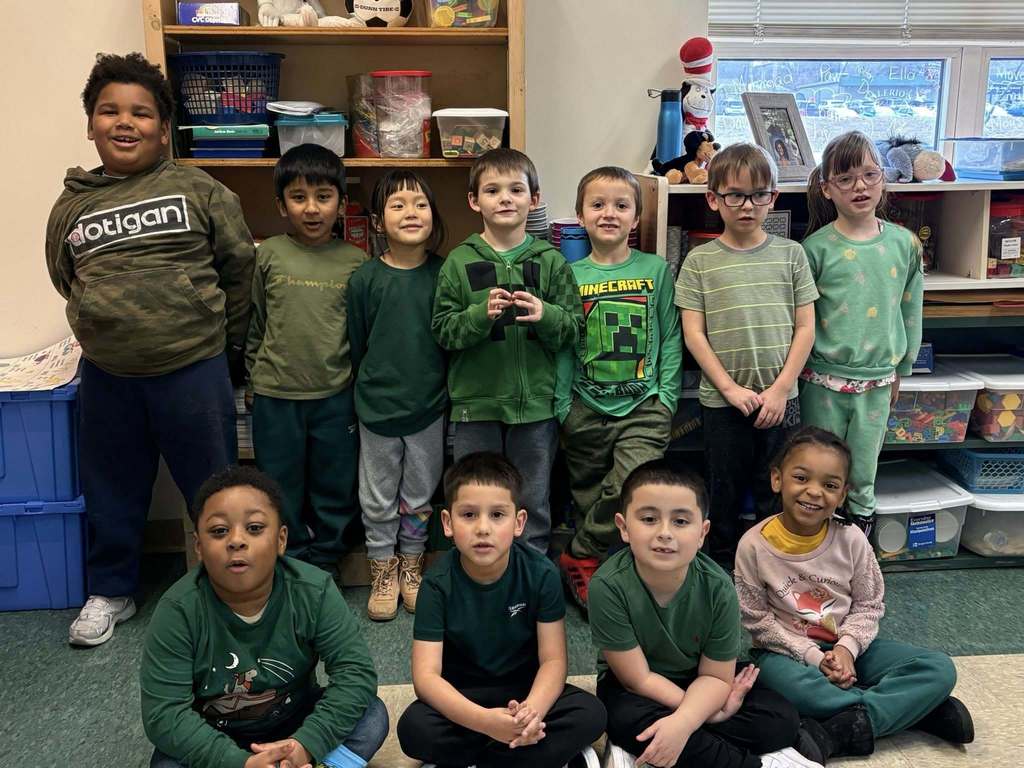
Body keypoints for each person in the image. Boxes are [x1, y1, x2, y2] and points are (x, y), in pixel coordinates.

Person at [46, 52, 254, 647]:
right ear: (90, 124)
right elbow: (67, 278)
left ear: (164, 128)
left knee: (215, 488)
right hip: (109, 374)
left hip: (193, 368)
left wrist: (227, 346)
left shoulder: (197, 188)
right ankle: (111, 590)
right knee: (110, 486)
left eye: (141, 112)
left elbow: (239, 268)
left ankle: (228, 587)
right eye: (109, 111)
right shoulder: (73, 206)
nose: (124, 122)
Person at [733, 426, 974, 759]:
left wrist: (846, 649)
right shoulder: (752, 546)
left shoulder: (852, 539)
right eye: (801, 478)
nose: (814, 492)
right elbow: (757, 622)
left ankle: (848, 726)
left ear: (843, 494)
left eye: (829, 485)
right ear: (777, 479)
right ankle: (915, 711)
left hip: (851, 645)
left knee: (938, 668)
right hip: (787, 654)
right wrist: (815, 658)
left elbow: (869, 605)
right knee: (788, 687)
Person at [141, 465, 388, 768]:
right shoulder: (178, 610)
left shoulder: (314, 590)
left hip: (296, 726)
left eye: (255, 528)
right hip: (215, 736)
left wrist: (305, 745)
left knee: (372, 715)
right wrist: (239, 762)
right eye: (219, 531)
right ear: (199, 547)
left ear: (281, 539)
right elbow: (164, 714)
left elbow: (356, 674)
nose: (236, 541)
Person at [589, 460, 828, 768]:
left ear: (702, 533)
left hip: (699, 678)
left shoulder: (719, 587)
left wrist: (686, 721)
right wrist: (709, 714)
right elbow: (638, 678)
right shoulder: (608, 585)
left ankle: (676, 748)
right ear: (623, 527)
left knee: (779, 718)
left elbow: (715, 676)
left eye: (680, 522)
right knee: (622, 719)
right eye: (649, 519)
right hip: (636, 688)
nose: (664, 533)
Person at [396, 452, 606, 768]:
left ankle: (490, 754)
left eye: (497, 515)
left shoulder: (541, 573)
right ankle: (523, 754)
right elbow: (426, 677)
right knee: (413, 727)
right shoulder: (437, 584)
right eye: (468, 515)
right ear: (447, 523)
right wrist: (485, 722)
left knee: (591, 714)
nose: (483, 528)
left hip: (524, 691)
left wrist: (531, 712)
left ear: (519, 522)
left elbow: (553, 660)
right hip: (464, 697)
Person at [432, 148, 583, 554]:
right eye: (493, 190)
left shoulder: (550, 261)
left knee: (532, 499)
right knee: (476, 496)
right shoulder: (458, 263)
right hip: (476, 407)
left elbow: (573, 330)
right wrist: (479, 316)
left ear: (534, 199)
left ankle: (530, 574)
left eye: (516, 189)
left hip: (535, 408)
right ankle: (477, 572)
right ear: (473, 200)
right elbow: (443, 331)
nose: (505, 198)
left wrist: (546, 315)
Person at [675, 143, 817, 565]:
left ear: (774, 197)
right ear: (713, 198)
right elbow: (694, 334)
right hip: (723, 402)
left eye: (759, 194)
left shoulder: (792, 255)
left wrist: (780, 390)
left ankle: (775, 566)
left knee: (778, 486)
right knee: (724, 489)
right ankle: (720, 564)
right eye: (735, 195)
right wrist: (730, 389)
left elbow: (806, 327)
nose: (747, 205)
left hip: (782, 400)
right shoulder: (699, 262)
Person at [555, 166, 682, 609]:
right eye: (598, 204)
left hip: (644, 404)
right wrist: (562, 407)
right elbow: (564, 346)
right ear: (580, 215)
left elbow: (669, 335)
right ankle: (601, 575)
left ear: (636, 218)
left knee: (631, 485)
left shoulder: (655, 270)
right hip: (585, 405)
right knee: (589, 491)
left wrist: (665, 397)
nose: (609, 213)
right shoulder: (569, 275)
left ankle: (578, 554)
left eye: (621, 205)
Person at [245, 144, 367, 571]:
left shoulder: (356, 261)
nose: (312, 209)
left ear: (341, 203)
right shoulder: (269, 254)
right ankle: (292, 560)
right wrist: (251, 380)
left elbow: (360, 332)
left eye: (323, 196)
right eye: (299, 198)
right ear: (281, 205)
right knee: (280, 486)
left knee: (336, 483)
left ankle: (329, 559)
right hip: (275, 396)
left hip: (335, 396)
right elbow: (256, 320)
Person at [800, 131, 924, 537]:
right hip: (821, 380)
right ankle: (819, 551)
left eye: (870, 175)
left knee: (864, 469)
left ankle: (859, 553)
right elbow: (802, 320)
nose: (860, 187)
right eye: (846, 179)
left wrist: (901, 367)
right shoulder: (815, 249)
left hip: (877, 380)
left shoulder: (904, 244)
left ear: (884, 179)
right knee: (820, 468)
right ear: (827, 188)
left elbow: (910, 308)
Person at [348, 169, 448, 621]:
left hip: (429, 405)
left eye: (420, 203)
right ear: (377, 220)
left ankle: (412, 565)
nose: (411, 212)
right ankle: (383, 570)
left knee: (420, 494)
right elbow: (358, 341)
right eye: (398, 204)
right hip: (376, 407)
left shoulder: (445, 273)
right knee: (377, 496)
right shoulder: (365, 279)